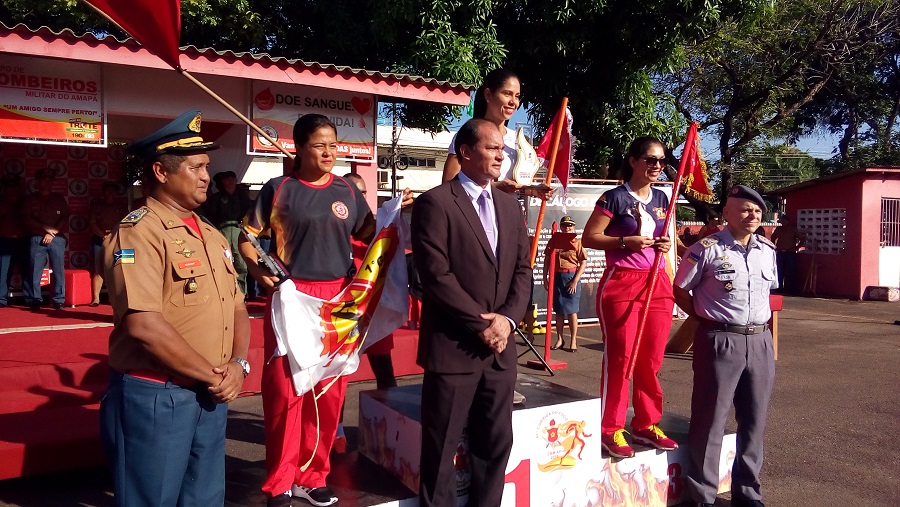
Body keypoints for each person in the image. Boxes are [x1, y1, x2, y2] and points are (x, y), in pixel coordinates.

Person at [240, 114, 411, 507]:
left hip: (338, 304)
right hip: (292, 299)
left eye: (334, 145)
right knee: (286, 393)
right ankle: (280, 481)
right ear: (298, 148)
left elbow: (374, 236)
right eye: (320, 145)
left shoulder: (347, 192)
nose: (329, 152)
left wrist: (399, 215)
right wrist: (260, 271)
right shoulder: (278, 189)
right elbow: (247, 237)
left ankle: (312, 477)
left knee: (328, 393)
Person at [99, 110, 251, 506]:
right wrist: (217, 376)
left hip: (210, 393)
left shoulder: (213, 234)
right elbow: (144, 325)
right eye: (196, 167)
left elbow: (236, 306)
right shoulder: (139, 231)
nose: (206, 176)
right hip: (158, 396)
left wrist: (238, 364)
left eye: (207, 167)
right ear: (161, 172)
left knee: (205, 498)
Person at [411, 118, 532, 507]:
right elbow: (435, 274)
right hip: (453, 349)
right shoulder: (436, 203)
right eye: (493, 148)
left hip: (500, 352)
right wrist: (482, 324)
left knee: (495, 445)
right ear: (466, 152)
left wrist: (508, 321)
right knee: (441, 448)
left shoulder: (511, 207)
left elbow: (521, 270)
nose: (502, 155)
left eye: (503, 149)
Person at [673, 185, 777, 507]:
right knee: (710, 420)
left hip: (760, 340)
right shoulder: (707, 248)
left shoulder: (767, 250)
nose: (753, 215)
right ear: (727, 214)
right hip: (720, 339)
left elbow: (768, 292)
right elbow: (680, 289)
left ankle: (747, 493)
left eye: (757, 211)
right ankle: (702, 496)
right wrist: (704, 318)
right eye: (745, 209)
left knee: (754, 420)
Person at [581, 136, 677, 458]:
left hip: (657, 280)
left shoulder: (664, 197)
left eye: (661, 161)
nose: (657, 166)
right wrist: (625, 243)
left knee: (650, 358)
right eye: (651, 159)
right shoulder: (614, 198)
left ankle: (646, 423)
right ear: (634, 160)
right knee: (622, 358)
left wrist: (663, 245)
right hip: (622, 282)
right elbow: (590, 238)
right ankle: (611, 428)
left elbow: (664, 236)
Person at [441, 68, 551, 200]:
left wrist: (533, 191)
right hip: (476, 214)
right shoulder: (468, 135)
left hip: (510, 214)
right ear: (488, 95)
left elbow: (514, 188)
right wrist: (495, 187)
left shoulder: (518, 140)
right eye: (507, 94)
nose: (513, 102)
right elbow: (449, 184)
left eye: (516, 96)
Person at [24, 168, 69, 310]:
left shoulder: (59, 198)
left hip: (56, 238)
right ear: (38, 181)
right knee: (35, 270)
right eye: (44, 179)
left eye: (50, 179)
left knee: (58, 270)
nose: (47, 182)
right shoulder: (31, 199)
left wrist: (52, 232)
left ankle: (58, 299)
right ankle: (35, 299)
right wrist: (45, 229)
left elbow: (65, 217)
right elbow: (27, 218)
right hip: (37, 237)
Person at [543, 215, 587, 352]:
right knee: (559, 311)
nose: (567, 228)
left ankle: (573, 340)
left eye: (570, 225)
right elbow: (546, 259)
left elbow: (583, 262)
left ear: (573, 227)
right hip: (557, 276)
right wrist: (545, 278)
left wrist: (575, 280)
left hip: (571, 277)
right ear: (561, 227)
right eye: (565, 225)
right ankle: (560, 339)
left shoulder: (577, 242)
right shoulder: (554, 240)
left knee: (572, 311)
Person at [205, 170, 251, 295]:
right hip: (221, 232)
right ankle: (225, 293)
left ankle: (241, 294)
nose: (230, 182)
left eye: (232, 179)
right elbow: (210, 215)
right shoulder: (216, 198)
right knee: (223, 262)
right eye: (227, 180)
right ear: (223, 182)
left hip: (238, 232)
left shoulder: (243, 197)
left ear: (236, 181)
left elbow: (250, 214)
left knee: (241, 264)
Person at [88, 181, 127, 306]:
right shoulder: (96, 206)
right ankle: (96, 298)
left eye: (112, 191)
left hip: (117, 240)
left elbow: (126, 224)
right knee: (98, 269)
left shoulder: (121, 207)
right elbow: (92, 224)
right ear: (103, 193)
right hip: (100, 239)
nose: (110, 194)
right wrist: (103, 236)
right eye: (107, 191)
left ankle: (114, 298)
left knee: (118, 269)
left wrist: (114, 236)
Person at [0, 174, 29, 308]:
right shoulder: (2, 202)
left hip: (23, 240)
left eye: (15, 186)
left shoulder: (25, 202)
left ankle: (31, 299)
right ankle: (2, 299)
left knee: (27, 271)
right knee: (3, 271)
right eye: (9, 187)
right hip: (5, 241)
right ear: (5, 188)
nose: (12, 190)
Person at [771, 214, 804, 294]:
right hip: (780, 252)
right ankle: (779, 288)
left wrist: (797, 247)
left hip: (790, 252)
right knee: (779, 271)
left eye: (783, 220)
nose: (782, 222)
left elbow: (802, 238)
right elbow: (773, 237)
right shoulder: (778, 229)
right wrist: (773, 246)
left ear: (787, 221)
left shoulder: (793, 229)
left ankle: (792, 289)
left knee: (791, 271)